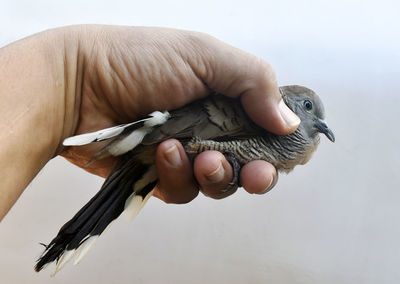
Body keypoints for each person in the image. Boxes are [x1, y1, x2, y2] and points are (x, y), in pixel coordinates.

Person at [0, 25, 300, 220]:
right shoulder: (253, 109)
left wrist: (76, 84)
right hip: (160, 134)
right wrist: (80, 75)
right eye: (307, 108)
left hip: (156, 139)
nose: (313, 122)